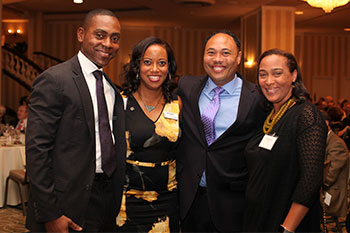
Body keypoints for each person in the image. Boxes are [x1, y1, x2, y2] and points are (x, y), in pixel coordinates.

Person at [25, 8, 126, 232]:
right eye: (100, 35)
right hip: (65, 205)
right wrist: (50, 214)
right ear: (81, 34)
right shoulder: (54, 80)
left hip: (105, 199)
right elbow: (36, 151)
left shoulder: (111, 89)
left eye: (115, 38)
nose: (108, 43)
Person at [176, 30, 266, 232]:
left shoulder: (257, 97)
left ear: (239, 57)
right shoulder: (186, 87)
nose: (217, 59)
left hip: (233, 203)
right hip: (190, 200)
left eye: (226, 53)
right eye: (211, 52)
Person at [243, 48, 327, 232]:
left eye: (277, 73)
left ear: (294, 75)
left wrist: (287, 228)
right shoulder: (268, 117)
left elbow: (310, 181)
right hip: (258, 219)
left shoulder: (306, 115)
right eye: (262, 75)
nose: (269, 81)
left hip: (286, 223)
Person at [116, 37, 180, 232]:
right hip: (128, 202)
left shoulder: (178, 104)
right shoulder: (121, 103)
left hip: (167, 200)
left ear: (169, 68)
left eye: (162, 63)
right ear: (137, 66)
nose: (155, 69)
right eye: (147, 62)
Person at [320, 110, 349, 233]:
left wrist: (319, 184)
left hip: (333, 193)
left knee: (334, 227)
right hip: (329, 192)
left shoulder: (336, 143)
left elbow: (331, 172)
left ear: (326, 123)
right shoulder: (327, 140)